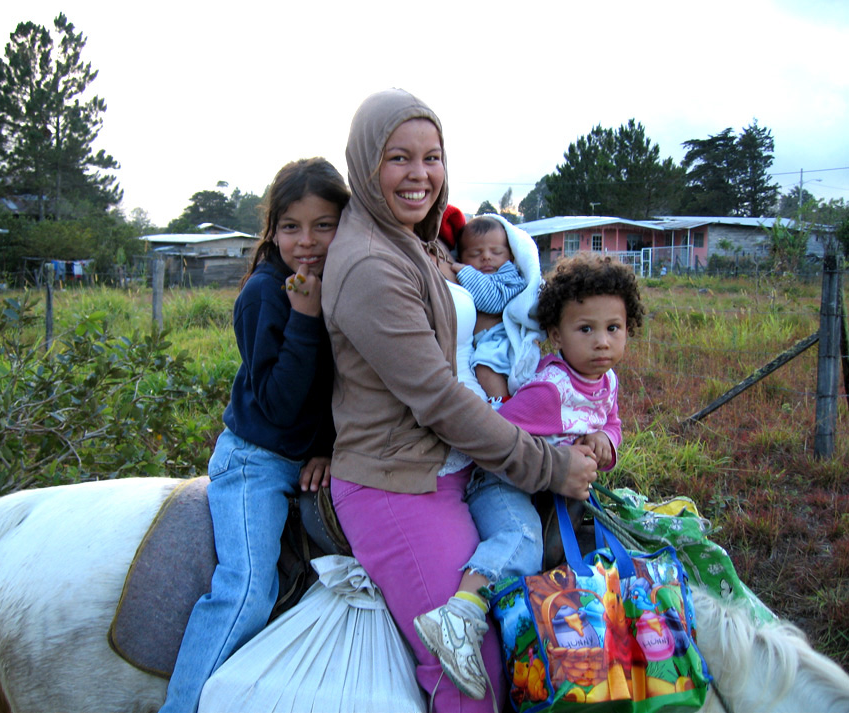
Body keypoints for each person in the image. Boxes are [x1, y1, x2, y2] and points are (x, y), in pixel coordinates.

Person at [321, 88, 598, 712]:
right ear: (366, 164)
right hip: (399, 483)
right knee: (472, 675)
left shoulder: (414, 243)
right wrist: (546, 465)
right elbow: (440, 399)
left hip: (453, 465)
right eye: (398, 158)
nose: (420, 175)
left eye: (432, 157)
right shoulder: (371, 263)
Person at [159, 158, 351, 713]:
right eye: (291, 226)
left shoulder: (345, 282)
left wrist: (331, 449)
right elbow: (278, 403)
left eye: (324, 224)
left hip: (308, 451)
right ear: (273, 231)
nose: (307, 241)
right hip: (258, 457)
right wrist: (305, 319)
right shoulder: (266, 295)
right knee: (246, 588)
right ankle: (182, 706)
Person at [415, 251, 646, 699]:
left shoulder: (608, 380)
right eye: (586, 329)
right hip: (501, 481)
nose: (602, 343)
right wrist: (556, 461)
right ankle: (460, 613)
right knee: (523, 539)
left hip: (549, 485)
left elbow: (611, 421)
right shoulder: (548, 390)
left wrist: (605, 441)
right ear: (556, 335)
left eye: (613, 329)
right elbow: (496, 440)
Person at [450, 214, 528, 402]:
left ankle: (503, 405)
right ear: (461, 256)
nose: (486, 257)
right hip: (483, 341)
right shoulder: (474, 279)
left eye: (496, 252)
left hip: (500, 339)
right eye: (476, 254)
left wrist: (461, 270)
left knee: (485, 368)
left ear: (510, 255)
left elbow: (491, 301)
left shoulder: (510, 278)